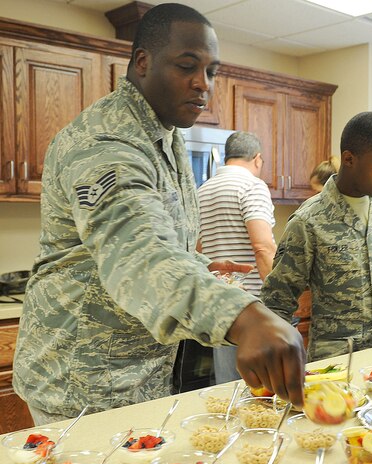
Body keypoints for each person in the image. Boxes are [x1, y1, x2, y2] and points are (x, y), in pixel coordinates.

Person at [13, 3, 305, 425]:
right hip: (79, 382)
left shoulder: (165, 136)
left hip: (137, 375)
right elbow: (137, 254)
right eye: (188, 66)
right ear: (143, 62)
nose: (202, 84)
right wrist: (243, 316)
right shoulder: (106, 143)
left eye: (211, 72)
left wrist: (199, 264)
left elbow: (156, 242)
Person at [261, 111, 372, 361]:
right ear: (349, 159)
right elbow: (277, 300)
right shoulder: (309, 222)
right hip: (338, 363)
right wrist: (279, 357)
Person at [198, 131, 277, 383]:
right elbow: (263, 246)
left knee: (228, 386)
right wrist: (279, 297)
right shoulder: (252, 186)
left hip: (217, 304)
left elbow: (197, 250)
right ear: (257, 159)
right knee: (261, 388)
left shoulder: (202, 191)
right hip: (251, 306)